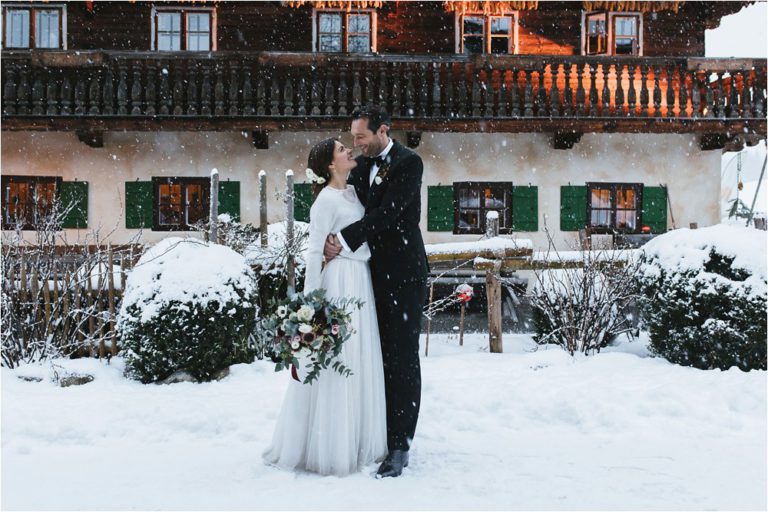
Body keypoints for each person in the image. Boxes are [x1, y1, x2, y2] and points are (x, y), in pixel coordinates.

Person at [262, 138, 387, 476]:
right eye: (341, 149)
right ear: (331, 165)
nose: (349, 150)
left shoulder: (353, 193)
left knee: (358, 359)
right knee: (338, 360)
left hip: (360, 279)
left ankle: (358, 438)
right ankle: (330, 446)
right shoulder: (324, 202)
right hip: (338, 284)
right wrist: (310, 310)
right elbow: (314, 252)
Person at [325, 105, 428, 478]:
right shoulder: (363, 166)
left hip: (403, 275)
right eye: (353, 138)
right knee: (375, 356)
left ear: (382, 130)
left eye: (361, 137)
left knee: (402, 357)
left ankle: (400, 443)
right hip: (368, 276)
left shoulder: (407, 163)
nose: (356, 144)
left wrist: (342, 240)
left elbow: (388, 214)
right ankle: (378, 433)